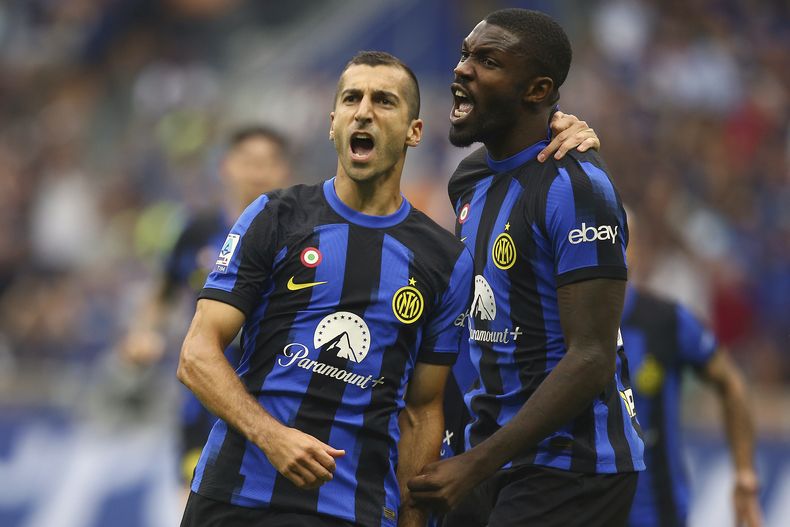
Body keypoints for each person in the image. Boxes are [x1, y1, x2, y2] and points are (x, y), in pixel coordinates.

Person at [176, 50, 601, 527]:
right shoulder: (274, 216)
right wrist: (273, 438)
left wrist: (412, 518)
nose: (364, 111)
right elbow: (196, 355)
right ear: (332, 122)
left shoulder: (444, 260)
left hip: (351, 510)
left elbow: (422, 410)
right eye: (352, 98)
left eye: (384, 101)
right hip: (233, 499)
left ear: (414, 131)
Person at [408, 9, 644, 527]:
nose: (462, 69)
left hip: (572, 468)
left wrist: (472, 465)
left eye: (487, 60)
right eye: (466, 54)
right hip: (492, 453)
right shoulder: (469, 180)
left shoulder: (578, 190)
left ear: (537, 89)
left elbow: (591, 358)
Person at [121, 125, 292, 487]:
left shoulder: (302, 236)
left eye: (268, 163)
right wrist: (144, 333)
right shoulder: (196, 231)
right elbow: (163, 292)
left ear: (284, 170)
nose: (258, 173)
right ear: (226, 167)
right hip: (205, 402)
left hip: (279, 404)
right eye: (248, 162)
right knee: (195, 503)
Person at [622, 211, 762, 527]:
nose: (614, 249)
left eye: (623, 239)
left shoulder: (666, 321)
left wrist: (744, 473)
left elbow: (731, 383)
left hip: (658, 515)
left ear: (639, 251)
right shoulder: (558, 326)